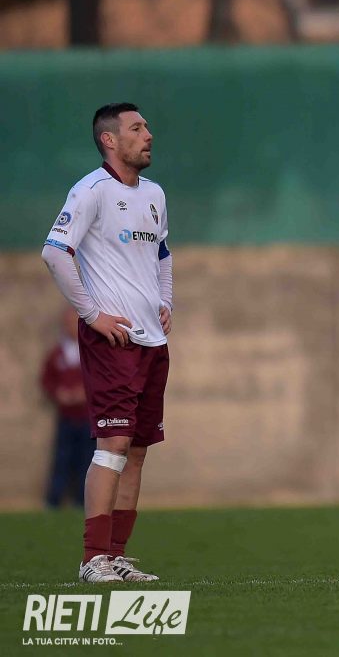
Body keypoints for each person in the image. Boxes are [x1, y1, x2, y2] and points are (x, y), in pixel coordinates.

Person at [41, 103, 172, 583]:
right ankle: (92, 559)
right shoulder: (91, 190)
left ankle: (115, 555)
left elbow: (162, 253)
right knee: (113, 444)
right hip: (113, 341)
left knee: (136, 449)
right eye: (137, 128)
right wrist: (93, 315)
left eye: (147, 126)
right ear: (109, 140)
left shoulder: (154, 193)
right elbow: (55, 252)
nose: (148, 134)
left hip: (153, 342)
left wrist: (166, 301)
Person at [41, 307, 94, 508]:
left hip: (88, 418)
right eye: (68, 322)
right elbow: (47, 380)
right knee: (61, 459)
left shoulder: (91, 351)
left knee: (87, 460)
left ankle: (82, 501)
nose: (71, 326)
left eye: (75, 322)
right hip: (66, 417)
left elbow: (101, 379)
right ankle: (53, 501)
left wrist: (85, 393)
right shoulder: (57, 354)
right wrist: (59, 393)